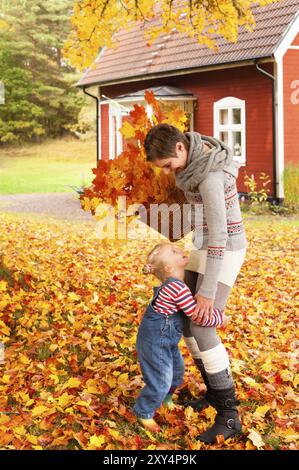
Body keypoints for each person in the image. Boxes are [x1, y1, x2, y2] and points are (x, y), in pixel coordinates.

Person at [144, 123, 247, 443]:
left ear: (179, 149)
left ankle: (229, 416)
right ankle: (214, 395)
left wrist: (205, 292)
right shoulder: (190, 168)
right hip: (203, 245)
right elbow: (197, 221)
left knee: (202, 324)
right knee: (187, 323)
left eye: (166, 165)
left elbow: (220, 235)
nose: (166, 172)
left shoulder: (212, 176)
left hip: (224, 249)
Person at [133, 241, 227, 433]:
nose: (180, 249)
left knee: (176, 372)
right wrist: (220, 318)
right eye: (174, 251)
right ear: (169, 268)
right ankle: (144, 411)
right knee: (160, 379)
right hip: (154, 342)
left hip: (165, 340)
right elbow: (196, 315)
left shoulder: (177, 285)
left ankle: (166, 398)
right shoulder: (177, 288)